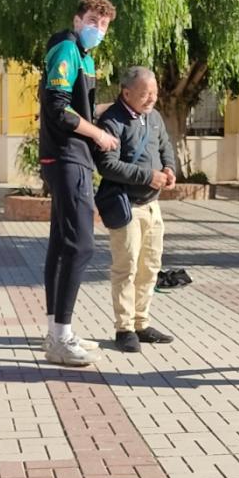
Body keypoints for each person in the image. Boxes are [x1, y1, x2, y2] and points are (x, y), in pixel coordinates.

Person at [38, 0, 120, 367]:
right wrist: (99, 135)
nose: (97, 29)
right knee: (80, 245)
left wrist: (105, 115)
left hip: (74, 158)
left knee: (61, 245)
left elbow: (79, 106)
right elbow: (58, 109)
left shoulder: (83, 57)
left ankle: (59, 332)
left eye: (102, 25)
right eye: (91, 21)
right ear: (76, 19)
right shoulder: (67, 49)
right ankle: (59, 338)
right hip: (67, 156)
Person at [94, 66, 177, 353]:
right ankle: (124, 328)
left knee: (150, 267)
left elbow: (166, 146)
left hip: (153, 206)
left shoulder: (154, 117)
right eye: (145, 94)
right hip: (126, 206)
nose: (151, 99)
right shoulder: (112, 121)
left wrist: (168, 168)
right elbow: (107, 164)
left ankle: (142, 323)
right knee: (125, 268)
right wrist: (147, 176)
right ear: (126, 93)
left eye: (154, 93)